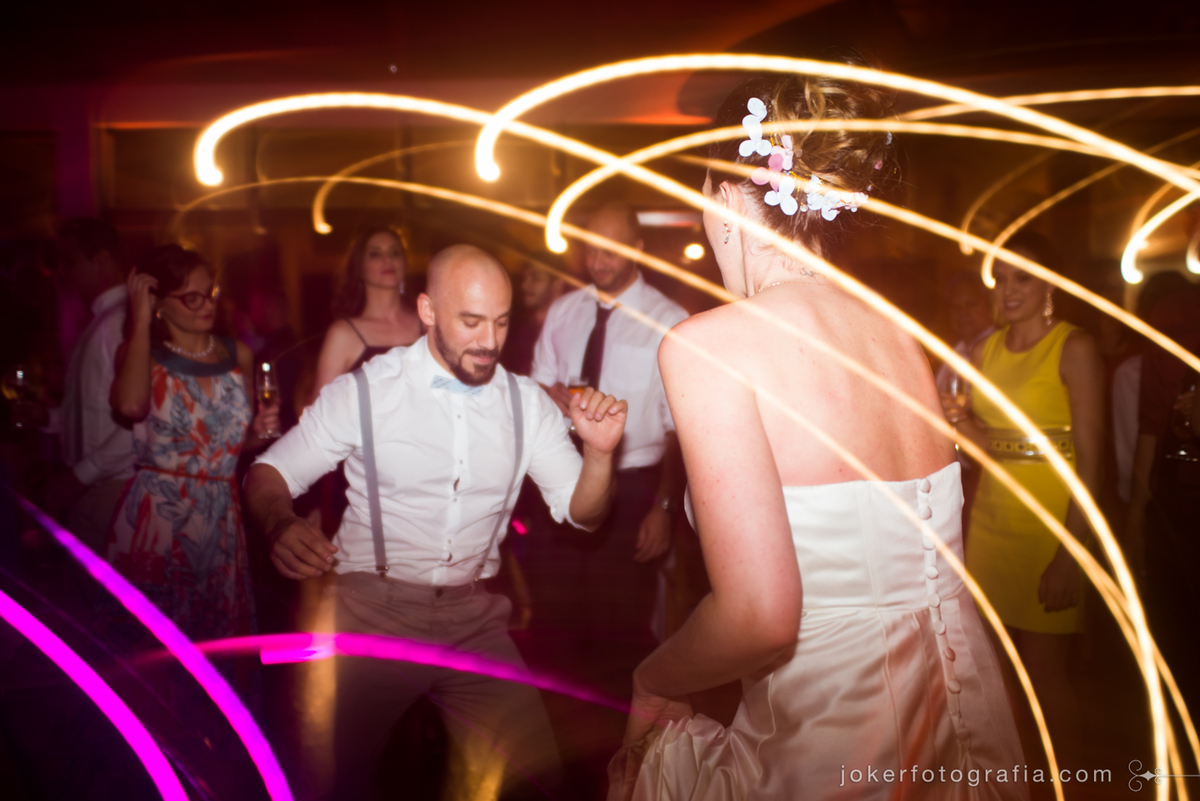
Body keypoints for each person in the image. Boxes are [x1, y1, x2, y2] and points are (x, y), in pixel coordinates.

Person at [609, 75, 1027, 801]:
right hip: (962, 712)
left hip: (837, 733)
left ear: (727, 199)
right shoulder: (904, 340)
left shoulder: (711, 347)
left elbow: (761, 617)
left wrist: (653, 677)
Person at [244, 244, 629, 800]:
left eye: (501, 321)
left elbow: (586, 514)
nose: (490, 340)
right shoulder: (367, 391)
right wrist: (279, 522)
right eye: (471, 322)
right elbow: (268, 473)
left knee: (534, 782)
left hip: (474, 620)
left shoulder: (527, 404)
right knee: (330, 783)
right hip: (368, 614)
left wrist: (599, 455)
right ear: (427, 310)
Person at [952, 231, 1104, 758]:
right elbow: (990, 451)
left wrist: (1069, 555)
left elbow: (1092, 462)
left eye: (1024, 277)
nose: (1008, 289)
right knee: (994, 675)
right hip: (991, 526)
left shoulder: (1074, 347)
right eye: (1001, 279)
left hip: (1050, 526)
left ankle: (1072, 784)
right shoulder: (983, 350)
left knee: (1045, 673)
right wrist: (955, 421)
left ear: (1050, 285)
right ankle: (1018, 782)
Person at [530, 202, 687, 661]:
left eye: (610, 251)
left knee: (619, 626)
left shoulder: (668, 320)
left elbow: (679, 430)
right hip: (561, 473)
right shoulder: (564, 310)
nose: (597, 261)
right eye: (590, 250)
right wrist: (548, 393)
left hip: (632, 489)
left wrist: (664, 507)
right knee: (554, 619)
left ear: (636, 248)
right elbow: (537, 384)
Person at [108, 244, 278, 642]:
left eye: (210, 293)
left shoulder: (239, 354)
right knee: (155, 643)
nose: (207, 304)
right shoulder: (140, 354)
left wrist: (261, 431)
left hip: (220, 513)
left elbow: (235, 446)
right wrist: (141, 318)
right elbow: (130, 406)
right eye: (192, 297)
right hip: (159, 516)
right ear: (159, 303)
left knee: (212, 642)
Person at [38, 219, 134, 555]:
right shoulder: (103, 320)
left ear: (102, 259)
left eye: (69, 260)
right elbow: (95, 411)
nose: (62, 271)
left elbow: (140, 423)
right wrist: (48, 418)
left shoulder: (122, 322)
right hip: (94, 487)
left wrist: (79, 476)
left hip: (113, 488)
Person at [312, 225, 423, 395]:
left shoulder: (427, 324)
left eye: (395, 253)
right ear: (360, 268)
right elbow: (320, 408)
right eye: (375, 254)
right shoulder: (343, 334)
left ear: (404, 263)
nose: (388, 259)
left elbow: (448, 386)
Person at [501, 259, 564, 376]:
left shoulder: (569, 328)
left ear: (557, 284)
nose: (524, 286)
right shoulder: (518, 330)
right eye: (524, 278)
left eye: (536, 278)